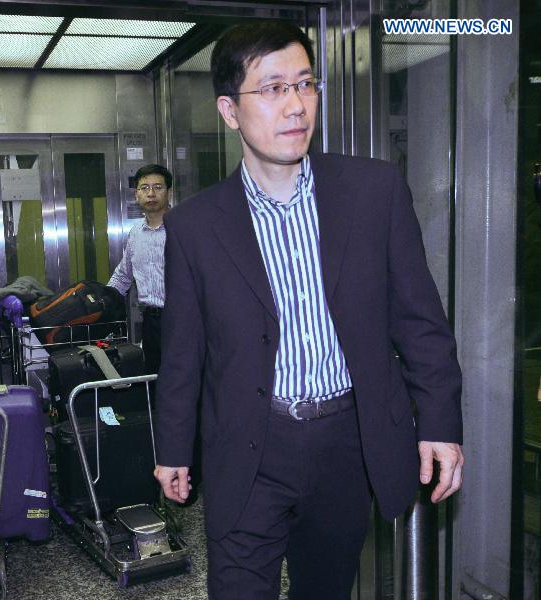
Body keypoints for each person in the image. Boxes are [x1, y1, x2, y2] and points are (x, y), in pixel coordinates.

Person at [152, 22, 464, 599]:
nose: (295, 105)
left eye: (305, 84)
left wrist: (441, 424)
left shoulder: (373, 193)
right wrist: (172, 448)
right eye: (271, 88)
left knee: (326, 589)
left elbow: (420, 321)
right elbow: (184, 352)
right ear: (229, 109)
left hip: (346, 444)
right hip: (249, 447)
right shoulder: (195, 226)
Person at [107, 164, 171, 375]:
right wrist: (102, 302)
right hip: (150, 323)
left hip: (183, 321)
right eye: (144, 188)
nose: (151, 193)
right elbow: (123, 276)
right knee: (154, 385)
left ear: (168, 193)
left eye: (157, 187)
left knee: (184, 385)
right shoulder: (136, 233)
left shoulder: (183, 229)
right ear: (137, 195)